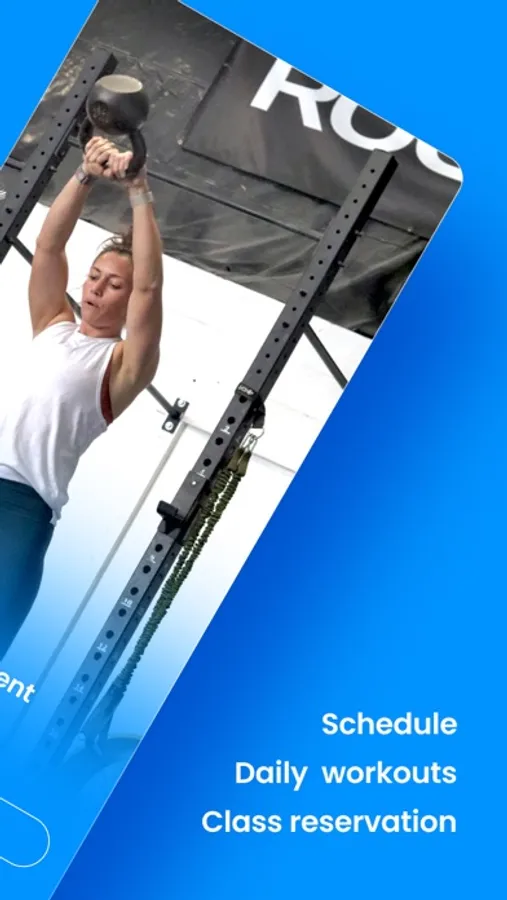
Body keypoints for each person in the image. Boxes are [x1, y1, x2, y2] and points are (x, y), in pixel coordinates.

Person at [0, 137, 164, 660]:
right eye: (94, 277)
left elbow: (150, 289)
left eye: (114, 284)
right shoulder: (52, 322)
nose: (95, 288)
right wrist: (84, 174)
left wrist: (138, 190)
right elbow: (49, 248)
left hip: (21, 507)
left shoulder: (123, 365)